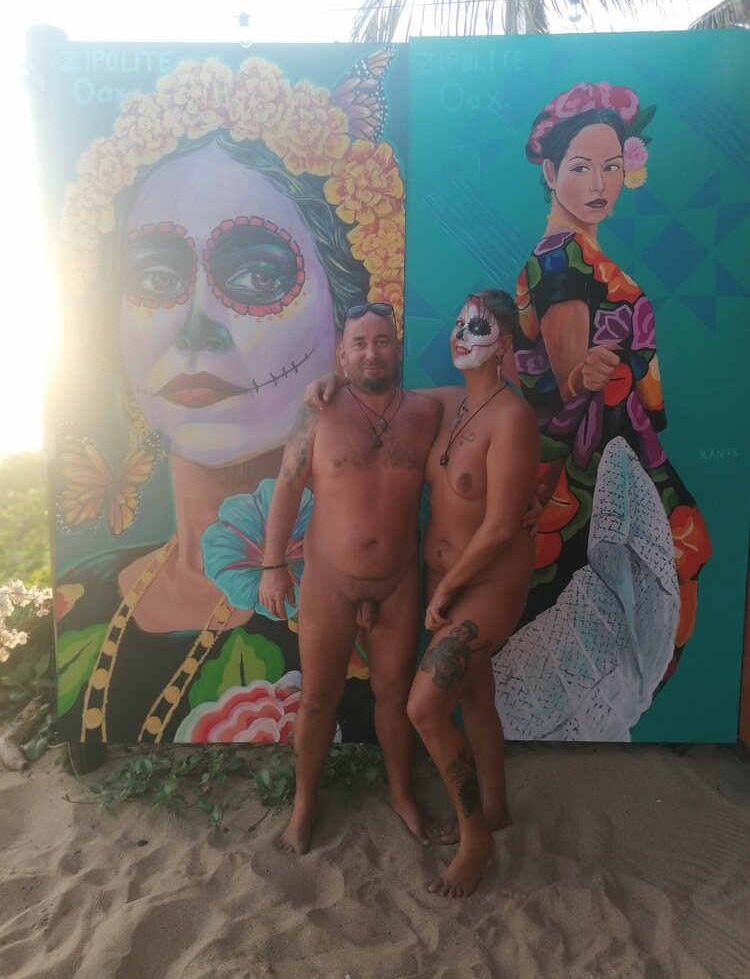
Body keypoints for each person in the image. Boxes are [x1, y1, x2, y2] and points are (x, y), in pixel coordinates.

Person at [52, 53, 405, 745]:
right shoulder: (81, 596)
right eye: (157, 279)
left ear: (344, 319)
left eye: (257, 275)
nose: (195, 326)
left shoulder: (354, 608)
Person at [493, 81, 711, 741]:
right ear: (550, 172)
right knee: (626, 577)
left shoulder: (582, 253)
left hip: (608, 443)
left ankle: (577, 719)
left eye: (612, 167)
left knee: (593, 592)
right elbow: (568, 378)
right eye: (582, 167)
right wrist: (582, 372)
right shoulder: (561, 258)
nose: (598, 184)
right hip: (592, 455)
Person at [304, 290, 540, 897]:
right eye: (458, 324)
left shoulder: (512, 417)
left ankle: (476, 839)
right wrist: (334, 379)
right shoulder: (449, 404)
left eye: (477, 326)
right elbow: (376, 392)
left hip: (483, 585)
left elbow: (500, 528)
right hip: (441, 582)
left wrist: (448, 589)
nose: (461, 334)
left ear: (503, 344)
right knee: (476, 696)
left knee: (425, 706)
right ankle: (497, 808)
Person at [258, 302, 443, 854]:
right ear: (342, 355)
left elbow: (489, 410)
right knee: (318, 698)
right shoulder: (319, 412)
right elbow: (287, 484)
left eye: (381, 341)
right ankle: (304, 804)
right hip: (329, 582)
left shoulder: (428, 411)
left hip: (398, 581)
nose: (371, 353)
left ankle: (401, 794)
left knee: (393, 693)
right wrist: (273, 565)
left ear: (397, 349)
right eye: (359, 344)